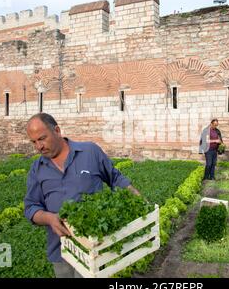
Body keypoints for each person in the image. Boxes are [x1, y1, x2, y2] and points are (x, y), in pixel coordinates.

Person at [23, 113, 141, 278]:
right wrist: (49, 218)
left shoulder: (89, 151)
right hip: (61, 251)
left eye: (42, 138)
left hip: (94, 248)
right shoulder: (37, 169)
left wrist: (135, 196)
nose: (38, 147)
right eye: (33, 142)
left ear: (57, 130)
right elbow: (31, 207)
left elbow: (115, 178)